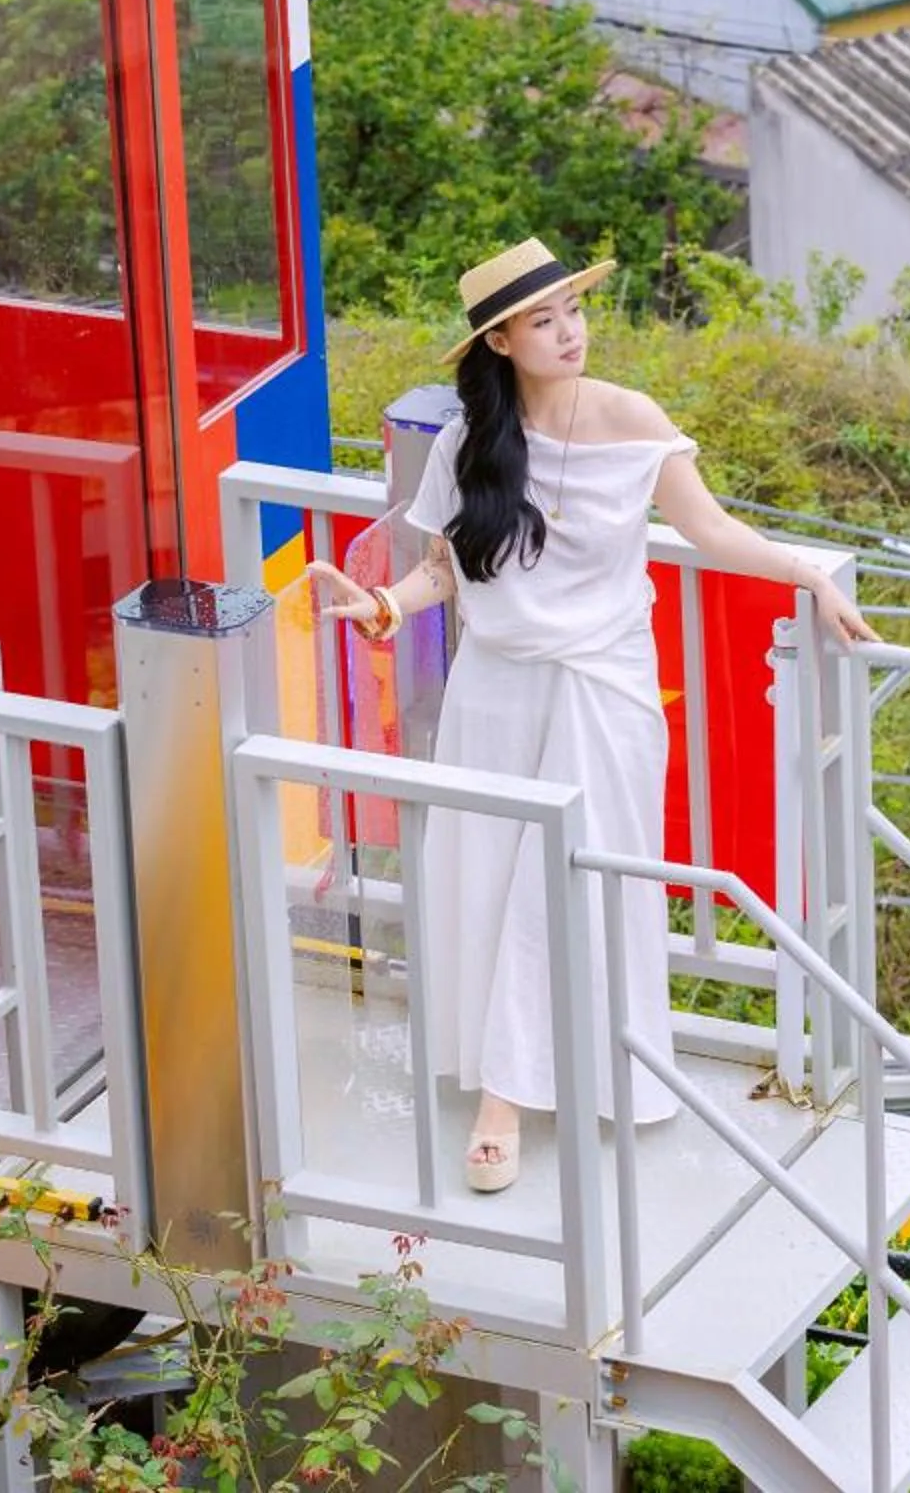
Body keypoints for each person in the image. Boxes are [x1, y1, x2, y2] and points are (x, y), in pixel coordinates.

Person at [305, 239, 871, 1193]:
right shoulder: (468, 444)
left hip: (601, 688)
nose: (569, 331)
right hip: (495, 686)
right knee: (489, 876)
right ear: (499, 342)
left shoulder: (630, 417)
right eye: (543, 320)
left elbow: (710, 529)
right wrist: (390, 604)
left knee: (565, 881)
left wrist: (808, 572)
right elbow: (449, 565)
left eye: (572, 309)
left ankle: (506, 1103)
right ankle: (505, 1078)